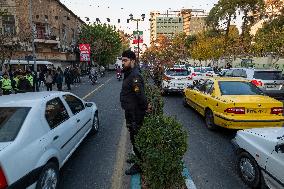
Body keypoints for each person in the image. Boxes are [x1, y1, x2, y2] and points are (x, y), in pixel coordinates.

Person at [120, 50, 150, 175]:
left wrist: (146, 106)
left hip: (135, 114)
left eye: (125, 60)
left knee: (136, 139)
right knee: (134, 138)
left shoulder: (134, 76)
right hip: (130, 112)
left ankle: (140, 165)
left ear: (133, 61)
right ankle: (138, 159)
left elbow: (140, 95)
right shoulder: (129, 73)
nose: (123, 63)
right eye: (122, 60)